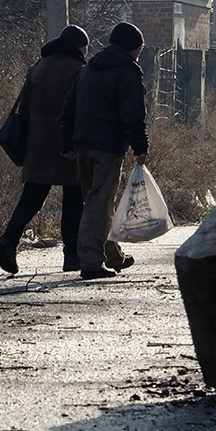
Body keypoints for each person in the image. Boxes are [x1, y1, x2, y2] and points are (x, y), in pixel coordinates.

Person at [0, 25, 90, 274]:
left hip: (37, 144)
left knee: (31, 197)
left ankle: (8, 240)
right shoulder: (79, 71)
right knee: (73, 199)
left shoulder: (37, 68)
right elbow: (80, 110)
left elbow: (24, 108)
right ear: (79, 47)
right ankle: (71, 255)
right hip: (66, 143)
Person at [60, 21, 149, 280]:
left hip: (82, 145)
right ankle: (90, 261)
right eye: (139, 49)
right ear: (133, 47)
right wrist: (140, 146)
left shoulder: (88, 69)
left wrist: (66, 142)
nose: (139, 54)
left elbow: (69, 105)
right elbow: (132, 112)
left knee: (96, 202)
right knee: (99, 204)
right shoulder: (127, 71)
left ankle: (113, 255)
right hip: (107, 147)